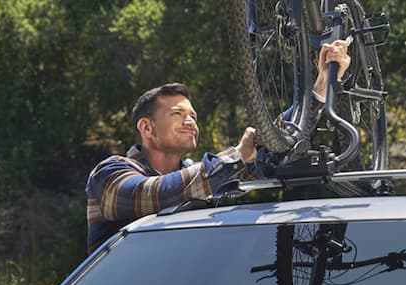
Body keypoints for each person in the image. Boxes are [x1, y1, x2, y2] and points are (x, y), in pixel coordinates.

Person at [85, 40, 354, 253]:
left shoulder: (203, 174)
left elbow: (273, 147)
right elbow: (149, 196)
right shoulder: (110, 172)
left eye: (193, 116)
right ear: (146, 128)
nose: (190, 121)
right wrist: (236, 157)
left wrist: (320, 87)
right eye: (178, 114)